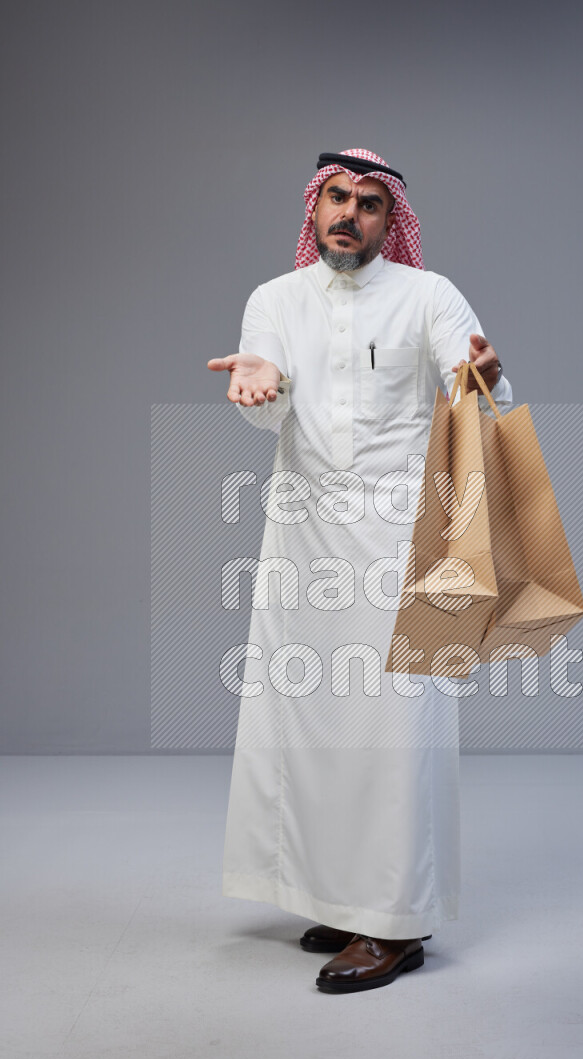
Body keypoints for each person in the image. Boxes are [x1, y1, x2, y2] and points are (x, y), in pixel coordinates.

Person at [208, 148, 513, 994]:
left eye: (370, 203)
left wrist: (484, 376)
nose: (349, 213)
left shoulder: (429, 296)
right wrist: (259, 388)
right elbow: (263, 399)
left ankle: (397, 925)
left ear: (391, 218)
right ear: (314, 208)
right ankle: (346, 900)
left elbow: (479, 380)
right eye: (336, 197)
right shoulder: (274, 299)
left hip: (403, 539)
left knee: (397, 735)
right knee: (311, 724)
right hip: (304, 544)